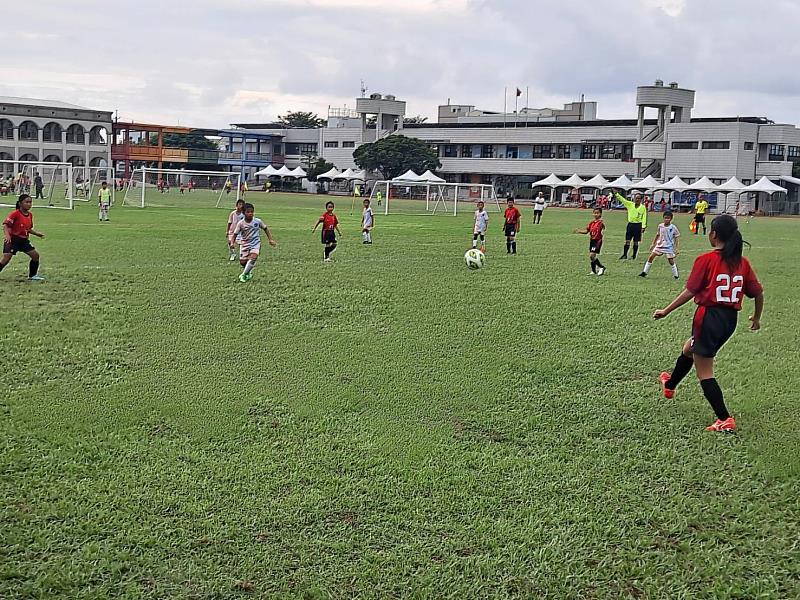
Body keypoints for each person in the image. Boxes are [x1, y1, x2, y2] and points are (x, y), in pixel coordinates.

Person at [653, 215, 763, 432]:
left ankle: (724, 419)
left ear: (713, 235)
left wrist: (665, 310)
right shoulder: (742, 262)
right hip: (729, 321)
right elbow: (758, 293)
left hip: (709, 317)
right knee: (689, 347)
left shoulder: (706, 260)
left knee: (704, 371)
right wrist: (756, 317)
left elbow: (690, 291)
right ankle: (670, 385)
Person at [1, 194, 45, 281]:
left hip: (23, 240)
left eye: (30, 202)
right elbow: (6, 225)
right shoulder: (15, 214)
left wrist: (37, 234)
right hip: (13, 240)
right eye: (27, 202)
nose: (29, 204)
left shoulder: (30, 215)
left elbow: (28, 229)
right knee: (5, 259)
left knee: (35, 256)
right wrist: (7, 236)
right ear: (20, 203)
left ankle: (32, 276)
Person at [228, 202, 276, 282]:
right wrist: (232, 243)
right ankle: (248, 272)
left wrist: (270, 239)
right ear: (243, 213)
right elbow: (235, 234)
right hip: (244, 244)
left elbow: (265, 228)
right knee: (243, 262)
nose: (250, 214)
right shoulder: (241, 224)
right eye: (248, 212)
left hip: (255, 243)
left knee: (253, 257)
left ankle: (243, 275)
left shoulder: (257, 221)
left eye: (252, 212)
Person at [639, 210, 680, 279]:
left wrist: (676, 248)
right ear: (663, 218)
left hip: (668, 246)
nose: (666, 219)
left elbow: (676, 238)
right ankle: (644, 272)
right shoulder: (660, 226)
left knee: (671, 260)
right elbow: (657, 235)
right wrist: (653, 244)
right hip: (659, 245)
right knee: (651, 257)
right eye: (665, 218)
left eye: (668, 218)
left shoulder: (673, 227)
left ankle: (676, 275)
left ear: (671, 219)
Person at [611, 189, 647, 260]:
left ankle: (634, 255)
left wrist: (643, 226)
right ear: (634, 198)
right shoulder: (630, 204)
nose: (637, 199)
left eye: (639, 198)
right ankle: (625, 255)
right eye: (636, 198)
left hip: (638, 225)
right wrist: (616, 194)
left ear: (641, 199)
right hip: (630, 225)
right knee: (627, 240)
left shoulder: (643, 207)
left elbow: (644, 217)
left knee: (636, 242)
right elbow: (622, 200)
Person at [573, 207, 606, 275]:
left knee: (592, 255)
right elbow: (586, 231)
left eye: (597, 213)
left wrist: (602, 226)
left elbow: (603, 227)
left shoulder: (600, 222)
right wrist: (579, 231)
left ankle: (601, 267)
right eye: (594, 213)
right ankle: (593, 271)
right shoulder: (591, 223)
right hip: (592, 240)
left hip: (597, 241)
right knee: (591, 256)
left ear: (600, 214)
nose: (596, 214)